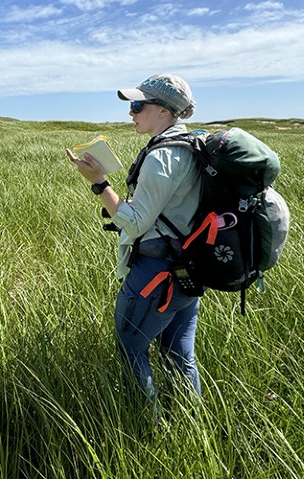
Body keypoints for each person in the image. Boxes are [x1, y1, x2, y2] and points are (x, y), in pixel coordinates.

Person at [66, 73, 202, 408]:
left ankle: (148, 427)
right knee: (179, 350)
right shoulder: (191, 146)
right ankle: (192, 423)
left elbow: (137, 223)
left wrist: (99, 183)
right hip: (190, 269)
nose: (132, 113)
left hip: (155, 273)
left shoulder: (162, 158)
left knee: (131, 346)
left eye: (138, 105)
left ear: (165, 112)